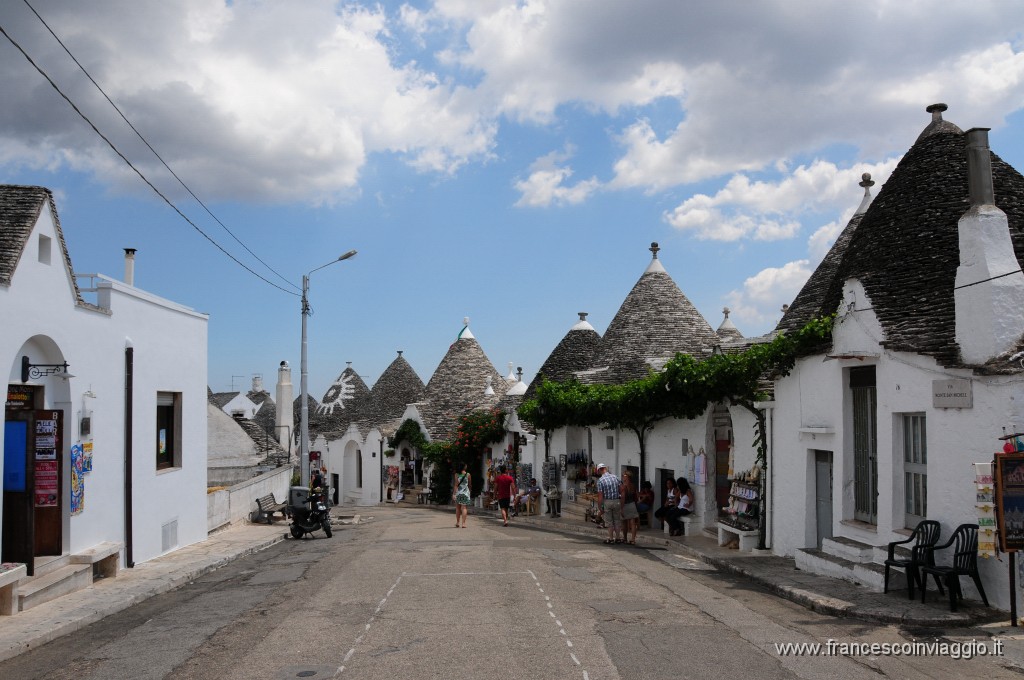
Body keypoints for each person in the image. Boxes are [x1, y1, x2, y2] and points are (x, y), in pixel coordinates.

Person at [595, 463, 623, 544]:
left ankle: (611, 539)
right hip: (617, 501)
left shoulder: (600, 481)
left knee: (609, 521)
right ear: (605, 468)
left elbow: (600, 496)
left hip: (607, 501)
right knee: (617, 520)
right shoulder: (615, 477)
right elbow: (621, 489)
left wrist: (600, 506)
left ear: (600, 470)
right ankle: (618, 538)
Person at [620, 470, 640, 545]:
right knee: (633, 523)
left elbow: (623, 497)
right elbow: (637, 496)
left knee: (624, 523)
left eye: (623, 476)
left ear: (626, 477)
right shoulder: (633, 486)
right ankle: (633, 539)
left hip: (625, 505)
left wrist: (621, 508)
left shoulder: (623, 486)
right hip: (632, 504)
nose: (622, 478)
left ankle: (625, 538)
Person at [452, 462, 471, 528]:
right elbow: (469, 485)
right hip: (465, 492)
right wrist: (470, 491)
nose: (466, 466)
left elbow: (456, 485)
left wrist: (454, 493)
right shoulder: (468, 474)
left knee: (458, 508)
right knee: (464, 508)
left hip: (458, 492)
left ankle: (457, 522)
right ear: (464, 467)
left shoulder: (456, 474)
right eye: (466, 466)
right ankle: (463, 524)